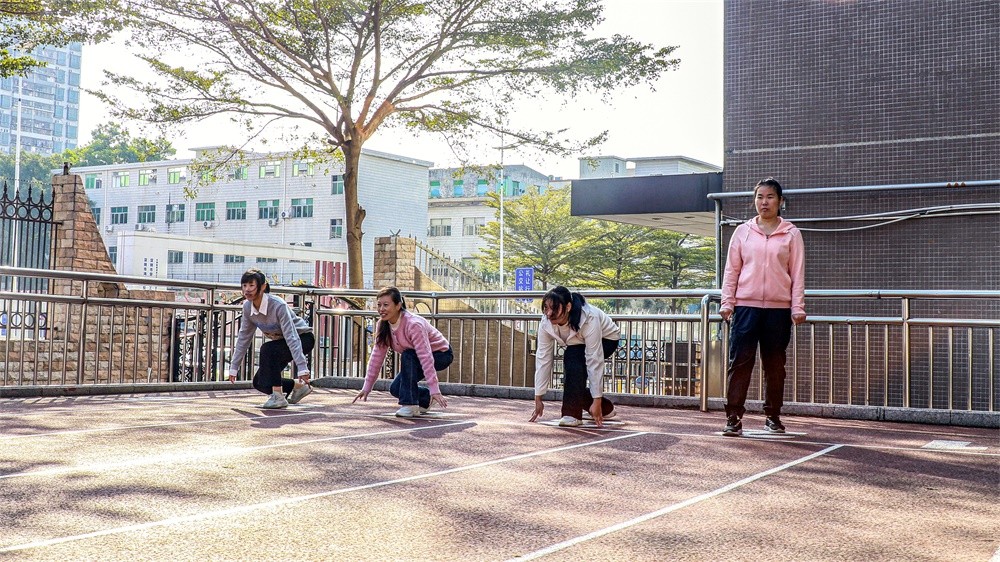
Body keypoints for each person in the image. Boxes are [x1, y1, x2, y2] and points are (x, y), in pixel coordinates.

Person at [719, 178, 806, 436]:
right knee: (740, 363)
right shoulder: (742, 232)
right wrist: (727, 302)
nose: (764, 202)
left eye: (769, 197)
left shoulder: (791, 233)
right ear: (754, 200)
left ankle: (773, 416)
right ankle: (733, 416)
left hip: (778, 311)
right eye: (759, 197)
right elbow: (731, 271)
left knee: (775, 366)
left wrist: (797, 307)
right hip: (746, 307)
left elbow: (797, 272)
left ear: (780, 201)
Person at [353, 287, 452, 417]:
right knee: (396, 389)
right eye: (379, 305)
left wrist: (434, 388)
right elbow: (377, 356)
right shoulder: (382, 325)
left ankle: (410, 405)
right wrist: (367, 387)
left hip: (441, 354)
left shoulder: (413, 324)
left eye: (386, 305)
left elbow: (425, 356)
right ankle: (425, 399)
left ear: (398, 305)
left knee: (408, 355)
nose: (381, 309)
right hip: (416, 356)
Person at [529, 286, 620, 427]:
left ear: (568, 306)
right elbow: (543, 358)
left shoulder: (589, 317)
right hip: (577, 344)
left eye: (555, 308)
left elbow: (594, 359)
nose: (549, 313)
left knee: (573, 358)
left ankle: (572, 415)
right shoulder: (545, 322)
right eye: (546, 308)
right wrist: (538, 397)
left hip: (607, 339)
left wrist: (596, 400)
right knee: (572, 373)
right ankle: (606, 409)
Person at [227, 269, 315, 409]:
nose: (247, 290)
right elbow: (244, 337)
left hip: (303, 338)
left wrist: (302, 368)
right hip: (281, 343)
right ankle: (298, 387)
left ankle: (278, 397)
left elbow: (291, 336)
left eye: (251, 285)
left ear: (262, 286)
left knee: (268, 349)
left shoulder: (277, 305)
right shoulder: (247, 307)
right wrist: (233, 367)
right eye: (244, 286)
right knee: (260, 382)